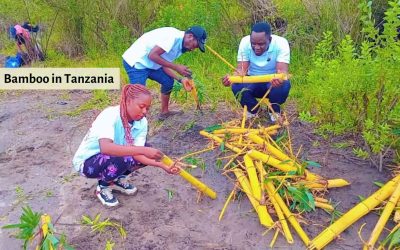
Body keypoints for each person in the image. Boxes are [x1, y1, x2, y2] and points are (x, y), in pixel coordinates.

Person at [72, 84, 180, 207]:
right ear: (128, 101)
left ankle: (117, 179)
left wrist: (162, 165)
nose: (144, 112)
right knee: (128, 154)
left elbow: (139, 154)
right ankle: (103, 187)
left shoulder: (141, 123)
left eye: (147, 108)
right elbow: (106, 148)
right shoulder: (110, 115)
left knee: (143, 150)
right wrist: (144, 150)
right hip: (88, 163)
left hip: (112, 159)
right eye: (141, 107)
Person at [122, 26, 207, 120]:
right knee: (139, 95)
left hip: (152, 64)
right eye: (195, 45)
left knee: (168, 81)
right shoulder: (172, 37)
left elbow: (163, 63)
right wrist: (176, 67)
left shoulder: (181, 46)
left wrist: (180, 79)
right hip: (137, 62)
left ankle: (164, 112)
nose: (193, 49)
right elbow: (152, 55)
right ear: (190, 36)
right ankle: (128, 121)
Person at [222, 22, 291, 122]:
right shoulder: (245, 42)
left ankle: (274, 111)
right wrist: (231, 79)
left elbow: (282, 72)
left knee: (284, 84)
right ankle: (253, 110)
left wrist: (279, 79)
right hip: (251, 81)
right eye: (253, 43)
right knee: (236, 86)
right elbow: (241, 70)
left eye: (261, 44)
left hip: (271, 84)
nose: (256, 47)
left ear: (270, 40)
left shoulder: (281, 43)